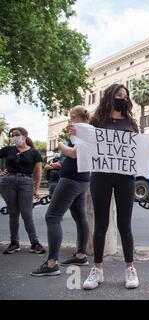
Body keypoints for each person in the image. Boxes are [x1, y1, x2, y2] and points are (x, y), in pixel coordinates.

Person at [69, 84, 149, 290]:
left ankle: (130, 268)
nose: (122, 98)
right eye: (119, 95)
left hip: (125, 178)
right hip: (101, 176)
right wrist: (76, 133)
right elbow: (84, 145)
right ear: (110, 97)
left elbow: (138, 147)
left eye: (125, 96)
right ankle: (97, 269)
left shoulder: (130, 122)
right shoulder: (97, 122)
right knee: (101, 224)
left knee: (124, 224)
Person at [31, 107, 92, 277]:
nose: (69, 122)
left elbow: (73, 154)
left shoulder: (82, 132)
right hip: (82, 178)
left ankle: (52, 263)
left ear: (77, 117)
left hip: (71, 179)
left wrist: (60, 146)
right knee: (80, 217)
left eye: (71, 118)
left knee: (52, 217)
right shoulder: (88, 133)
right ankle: (80, 255)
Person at [0, 127, 46, 254]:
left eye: (17, 134)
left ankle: (35, 243)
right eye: (12, 135)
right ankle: (14, 243)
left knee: (27, 214)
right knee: (13, 214)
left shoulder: (34, 152)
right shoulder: (8, 150)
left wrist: (36, 188)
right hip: (8, 182)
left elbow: (38, 171)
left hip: (26, 182)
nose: (14, 137)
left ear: (25, 135)